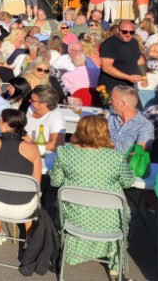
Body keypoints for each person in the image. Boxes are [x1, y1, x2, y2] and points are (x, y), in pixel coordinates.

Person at [50, 115, 136, 277]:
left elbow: (55, 181)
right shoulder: (115, 157)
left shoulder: (64, 152)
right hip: (109, 220)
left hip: (75, 217)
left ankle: (73, 253)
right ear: (105, 133)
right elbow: (127, 182)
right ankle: (115, 263)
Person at [0, 109, 43, 246]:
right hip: (24, 208)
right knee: (28, 189)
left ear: (7, 125)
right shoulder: (32, 149)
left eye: (0, 120)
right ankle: (30, 235)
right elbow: (36, 183)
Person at [98, 20, 145, 91]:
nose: (128, 34)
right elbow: (106, 67)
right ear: (117, 30)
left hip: (129, 86)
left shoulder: (134, 42)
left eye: (132, 32)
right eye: (124, 32)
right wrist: (128, 77)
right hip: (111, 87)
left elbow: (139, 60)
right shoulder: (109, 44)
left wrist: (144, 77)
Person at [107, 85, 155, 153]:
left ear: (122, 104)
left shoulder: (145, 126)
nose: (109, 102)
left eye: (112, 100)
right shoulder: (110, 118)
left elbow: (138, 154)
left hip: (127, 163)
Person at [25, 85, 66, 152]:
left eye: (33, 100)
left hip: (44, 158)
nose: (29, 101)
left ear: (44, 103)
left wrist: (32, 143)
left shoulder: (55, 117)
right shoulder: (28, 109)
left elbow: (56, 145)